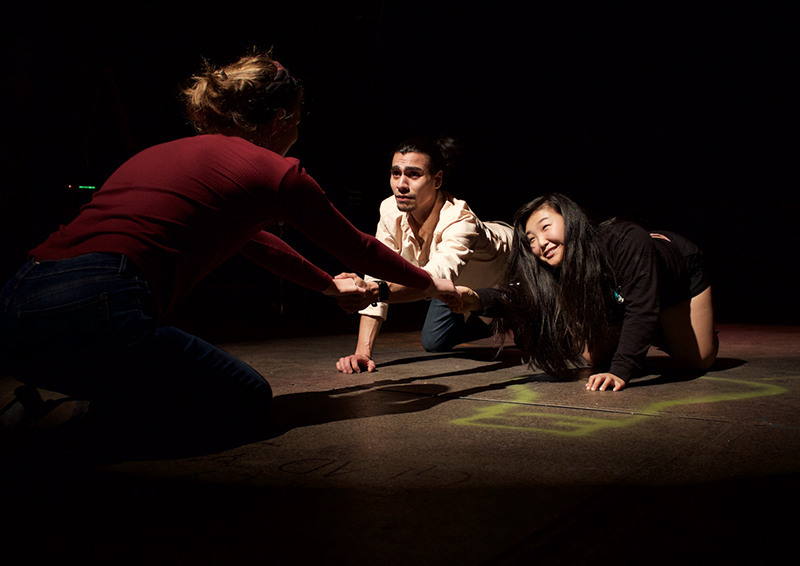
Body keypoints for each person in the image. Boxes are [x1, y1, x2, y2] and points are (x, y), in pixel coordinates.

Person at [0, 51, 455, 438]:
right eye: (297, 119)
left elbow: (255, 244)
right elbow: (357, 249)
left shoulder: (162, 152)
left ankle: (41, 406)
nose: (297, 128)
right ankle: (59, 423)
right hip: (98, 300)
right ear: (279, 120)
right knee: (244, 395)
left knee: (131, 368)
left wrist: (327, 288)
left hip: (15, 303)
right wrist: (432, 285)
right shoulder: (273, 170)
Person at [449, 193, 718, 391]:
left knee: (698, 361)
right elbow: (519, 294)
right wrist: (474, 299)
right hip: (618, 297)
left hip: (675, 278)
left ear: (570, 219)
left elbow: (641, 308)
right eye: (531, 239)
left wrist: (621, 372)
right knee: (593, 358)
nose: (541, 243)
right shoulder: (554, 265)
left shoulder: (625, 240)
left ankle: (663, 328)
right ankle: (646, 330)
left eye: (545, 227)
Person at [336, 137, 513, 374]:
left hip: (509, 266)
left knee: (527, 331)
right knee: (434, 341)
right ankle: (494, 321)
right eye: (395, 173)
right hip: (456, 282)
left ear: (437, 179)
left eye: (413, 174)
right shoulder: (390, 210)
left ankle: (512, 318)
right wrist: (362, 353)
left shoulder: (460, 221)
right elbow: (375, 275)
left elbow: (430, 280)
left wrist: (375, 292)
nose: (401, 184)